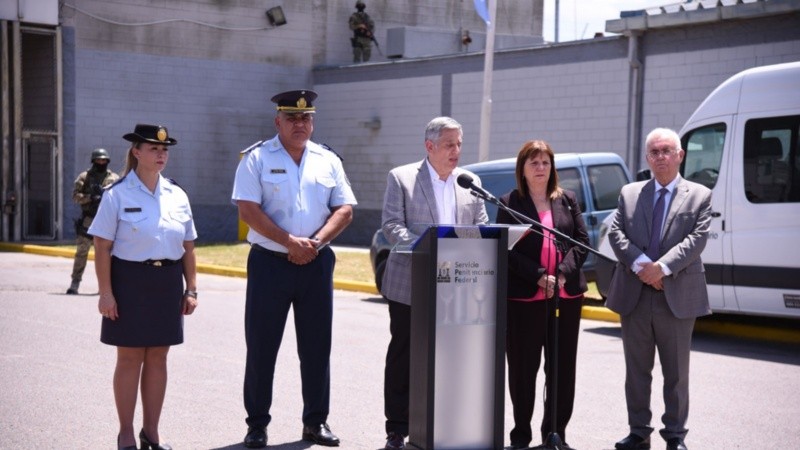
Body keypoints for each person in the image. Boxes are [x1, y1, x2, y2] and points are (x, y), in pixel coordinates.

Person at [232, 89, 356, 449]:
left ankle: (315, 422)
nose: (299, 124)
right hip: (270, 264)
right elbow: (248, 210)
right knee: (262, 347)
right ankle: (257, 425)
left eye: (306, 118)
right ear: (278, 121)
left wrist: (313, 243)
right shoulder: (256, 158)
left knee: (317, 347)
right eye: (291, 118)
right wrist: (290, 243)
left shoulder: (327, 160)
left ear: (312, 122)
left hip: (316, 263)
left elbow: (345, 209)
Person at [379, 116, 489, 450]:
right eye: (449, 144)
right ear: (430, 146)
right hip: (411, 283)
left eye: (459, 144)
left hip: (457, 286)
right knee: (405, 357)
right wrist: (427, 250)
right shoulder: (402, 178)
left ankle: (445, 424)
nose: (456, 151)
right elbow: (392, 226)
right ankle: (397, 428)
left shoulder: (470, 182)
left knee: (451, 358)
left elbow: (481, 226)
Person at [89, 124, 198, 450]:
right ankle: (125, 432)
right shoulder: (117, 194)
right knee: (130, 358)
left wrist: (191, 288)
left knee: (159, 357)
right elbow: (102, 247)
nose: (161, 154)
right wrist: (106, 293)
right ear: (136, 152)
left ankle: (151, 431)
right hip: (130, 282)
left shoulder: (177, 195)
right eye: (153, 148)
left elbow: (188, 247)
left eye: (164, 149)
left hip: (167, 282)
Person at [606, 128, 712, 450]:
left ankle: (675, 435)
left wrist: (661, 268)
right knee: (637, 371)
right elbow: (616, 233)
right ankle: (639, 432)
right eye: (654, 152)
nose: (661, 157)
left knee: (676, 373)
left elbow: (697, 239)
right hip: (635, 296)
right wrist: (642, 266)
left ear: (680, 155)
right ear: (647, 158)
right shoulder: (629, 193)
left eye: (667, 151)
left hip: (676, 295)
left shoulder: (700, 195)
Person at [495, 140, 589, 449]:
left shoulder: (567, 199)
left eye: (545, 162)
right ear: (522, 168)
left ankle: (555, 434)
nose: (540, 168)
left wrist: (561, 274)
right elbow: (505, 248)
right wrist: (538, 276)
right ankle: (521, 436)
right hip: (525, 299)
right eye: (533, 162)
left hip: (565, 296)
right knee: (523, 370)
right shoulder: (509, 202)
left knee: (561, 368)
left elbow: (581, 241)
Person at [66, 148, 119, 294]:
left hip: (106, 222)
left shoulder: (114, 178)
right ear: (93, 161)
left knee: (106, 256)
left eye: (103, 160)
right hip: (88, 220)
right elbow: (75, 196)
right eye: (98, 160)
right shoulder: (85, 177)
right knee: (81, 253)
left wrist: (105, 198)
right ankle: (75, 283)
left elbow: (120, 198)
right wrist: (90, 198)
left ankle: (105, 287)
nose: (101, 162)